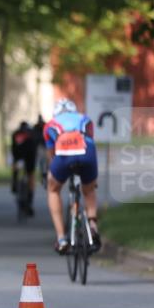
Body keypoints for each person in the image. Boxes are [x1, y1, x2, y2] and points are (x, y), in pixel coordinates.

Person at [44, 98, 100, 254]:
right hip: (87, 152)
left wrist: (51, 174)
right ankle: (93, 225)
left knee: (53, 189)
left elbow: (52, 155)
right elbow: (90, 141)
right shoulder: (85, 119)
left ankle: (61, 238)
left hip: (63, 155)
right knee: (89, 189)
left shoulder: (50, 125)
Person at [10, 120, 37, 215]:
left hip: (18, 159)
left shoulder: (15, 134)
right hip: (29, 160)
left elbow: (13, 148)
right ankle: (29, 198)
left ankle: (14, 184)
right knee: (31, 177)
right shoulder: (31, 134)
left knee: (16, 170)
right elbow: (34, 149)